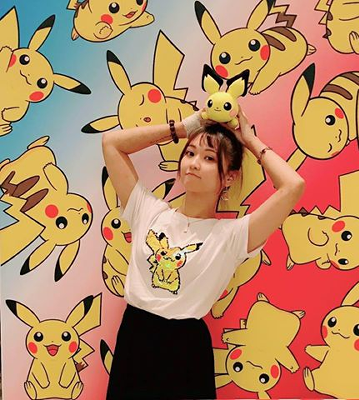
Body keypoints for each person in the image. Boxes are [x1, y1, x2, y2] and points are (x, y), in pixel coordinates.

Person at [102, 108, 305, 400]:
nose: (194, 164)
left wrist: (249, 140)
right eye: (190, 154)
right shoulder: (148, 211)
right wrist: (185, 127)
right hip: (135, 339)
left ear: (230, 177)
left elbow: (293, 186)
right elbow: (111, 143)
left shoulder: (232, 236)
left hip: (185, 352)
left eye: (209, 158)